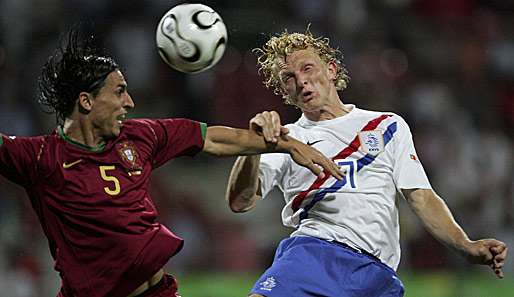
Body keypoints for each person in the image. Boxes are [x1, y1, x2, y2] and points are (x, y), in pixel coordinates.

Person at [0, 27, 343, 297]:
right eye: (119, 91)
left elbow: (215, 138)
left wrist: (286, 144)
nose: (130, 101)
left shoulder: (140, 137)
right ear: (87, 101)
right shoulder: (41, 157)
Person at [226, 28, 509, 297]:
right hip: (315, 253)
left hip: (378, 273)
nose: (301, 81)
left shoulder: (387, 125)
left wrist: (465, 245)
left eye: (307, 68)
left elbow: (421, 196)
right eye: (288, 77)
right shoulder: (285, 138)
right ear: (285, 92)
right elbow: (240, 202)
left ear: (332, 70)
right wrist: (252, 145)